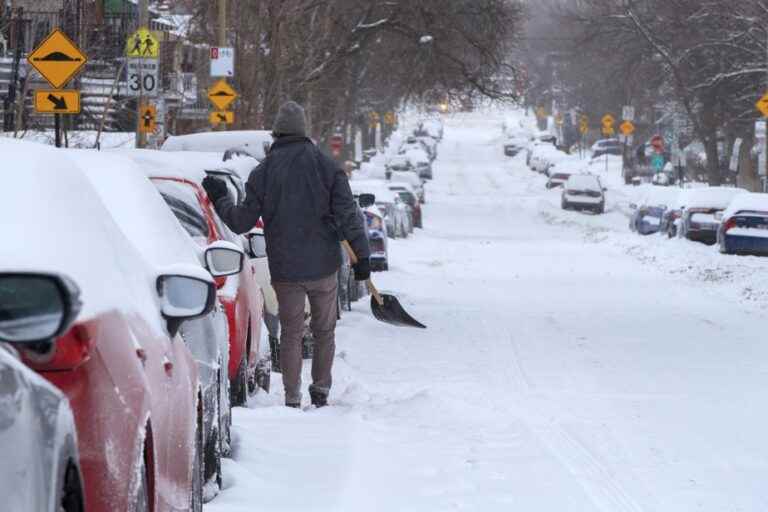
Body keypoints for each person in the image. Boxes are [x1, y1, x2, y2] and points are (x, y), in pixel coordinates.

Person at [202, 101, 370, 408]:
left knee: (291, 333)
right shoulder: (328, 167)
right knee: (324, 331)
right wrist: (363, 258)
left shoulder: (263, 172)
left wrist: (220, 198)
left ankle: (292, 397)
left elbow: (241, 221)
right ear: (304, 130)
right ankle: (320, 391)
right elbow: (349, 216)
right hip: (324, 267)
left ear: (277, 133)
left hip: (286, 269)